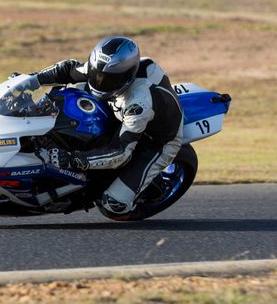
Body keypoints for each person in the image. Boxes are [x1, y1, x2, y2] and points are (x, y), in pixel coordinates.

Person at [37, 36, 183, 214]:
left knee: (113, 206)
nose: (100, 82)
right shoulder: (102, 70)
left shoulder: (139, 103)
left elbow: (121, 153)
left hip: (156, 141)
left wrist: (73, 159)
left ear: (127, 76)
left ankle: (132, 193)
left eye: (109, 80)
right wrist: (31, 80)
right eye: (96, 75)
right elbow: (69, 70)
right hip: (118, 111)